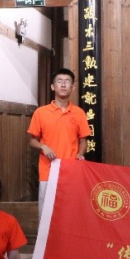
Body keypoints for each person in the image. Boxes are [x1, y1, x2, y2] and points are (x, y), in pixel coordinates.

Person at [28, 68, 91, 217]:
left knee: (71, 213)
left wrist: (80, 154)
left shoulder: (79, 113)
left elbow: (83, 140)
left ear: (73, 87)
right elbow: (32, 140)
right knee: (47, 215)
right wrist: (43, 146)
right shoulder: (41, 112)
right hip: (48, 170)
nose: (63, 84)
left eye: (67, 81)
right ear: (53, 86)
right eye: (59, 81)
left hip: (71, 170)